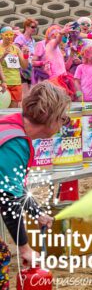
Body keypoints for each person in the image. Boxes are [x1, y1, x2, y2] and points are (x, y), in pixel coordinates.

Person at [0, 83, 66, 281]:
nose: (64, 123)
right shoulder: (16, 142)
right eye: (63, 118)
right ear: (49, 116)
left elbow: (13, 186)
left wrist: (36, 213)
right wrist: (24, 247)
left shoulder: (10, 124)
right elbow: (7, 198)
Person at [0, 27, 29, 108]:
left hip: (16, 83)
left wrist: (26, 55)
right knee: (2, 109)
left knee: (13, 111)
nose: (9, 37)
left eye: (11, 34)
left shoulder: (15, 48)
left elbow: (24, 66)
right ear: (2, 35)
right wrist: (4, 55)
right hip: (3, 83)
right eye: (7, 35)